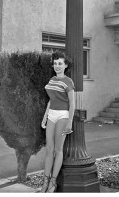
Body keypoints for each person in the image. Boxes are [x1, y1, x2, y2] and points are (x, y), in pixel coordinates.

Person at [41, 51, 75, 193]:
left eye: (60, 63)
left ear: (66, 65)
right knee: (49, 149)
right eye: (55, 63)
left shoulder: (68, 81)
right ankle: (45, 181)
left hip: (63, 116)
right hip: (52, 115)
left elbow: (72, 103)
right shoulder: (52, 80)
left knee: (57, 150)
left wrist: (69, 123)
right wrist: (45, 116)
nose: (57, 66)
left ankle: (53, 183)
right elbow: (51, 100)